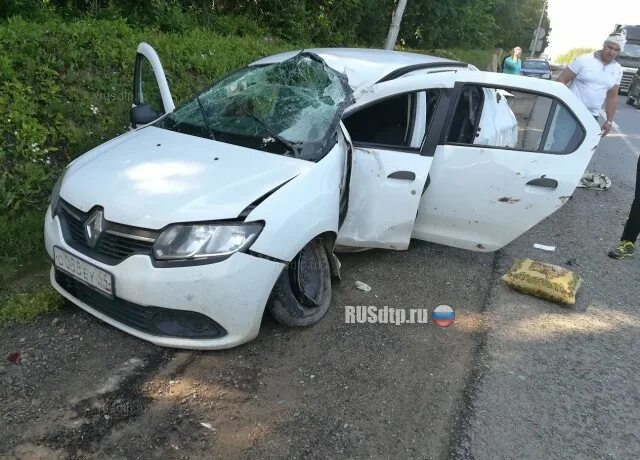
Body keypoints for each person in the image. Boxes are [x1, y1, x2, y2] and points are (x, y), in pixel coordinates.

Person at [556, 33, 624, 136]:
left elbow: (612, 96)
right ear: (604, 45)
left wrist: (609, 121)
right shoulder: (584, 60)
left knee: (584, 150)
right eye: (609, 47)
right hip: (570, 113)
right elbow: (561, 79)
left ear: (619, 51)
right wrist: (564, 103)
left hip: (592, 116)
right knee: (560, 146)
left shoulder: (618, 69)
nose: (611, 52)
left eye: (616, 50)